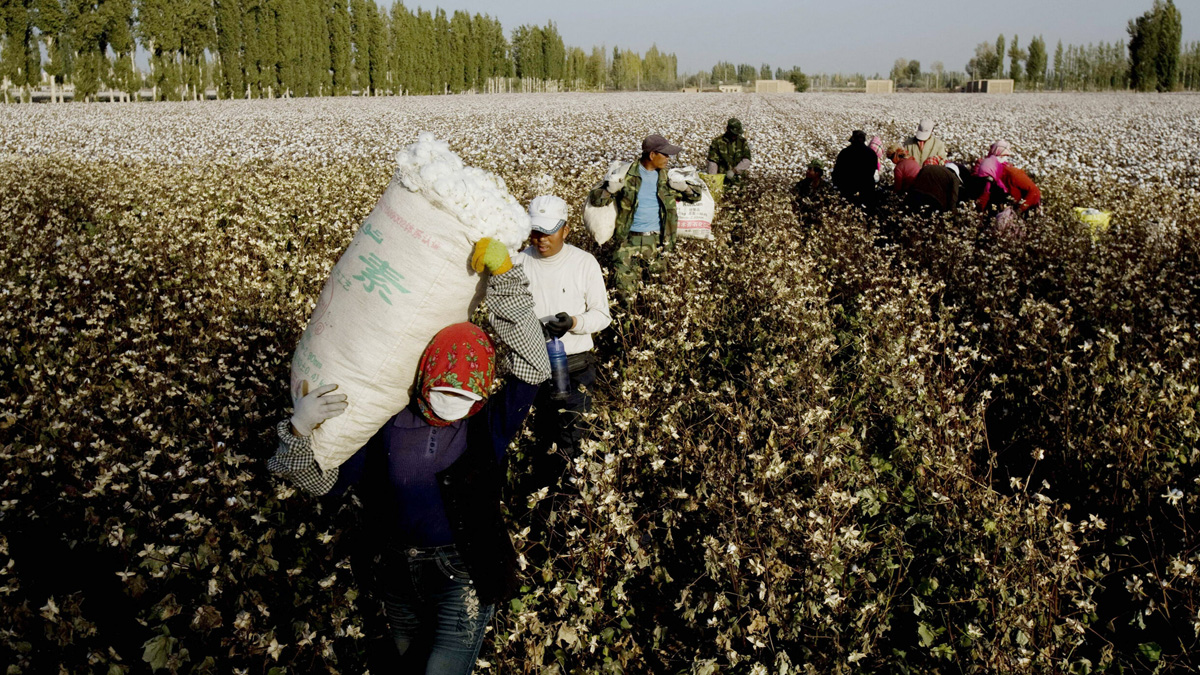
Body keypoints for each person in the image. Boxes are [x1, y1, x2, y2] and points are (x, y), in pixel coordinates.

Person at [268, 238, 550, 674]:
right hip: (396, 573)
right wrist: (299, 430)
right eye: (444, 388)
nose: (452, 402)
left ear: (481, 391)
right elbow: (330, 484)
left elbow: (532, 368)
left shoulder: (486, 429)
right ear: (425, 376)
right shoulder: (384, 421)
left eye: (465, 393)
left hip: (463, 574)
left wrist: (507, 278)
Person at [516, 195, 611, 488]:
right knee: (538, 440)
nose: (541, 239)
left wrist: (573, 322)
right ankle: (544, 500)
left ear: (566, 231)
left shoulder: (584, 263)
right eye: (535, 232)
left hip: (575, 366)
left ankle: (573, 502)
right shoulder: (519, 262)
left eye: (548, 232)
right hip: (532, 367)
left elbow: (602, 315)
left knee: (573, 440)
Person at [587, 134, 702, 297]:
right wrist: (609, 190)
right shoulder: (624, 174)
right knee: (625, 294)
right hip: (627, 242)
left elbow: (696, 196)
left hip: (659, 242)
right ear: (652, 155)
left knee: (658, 294)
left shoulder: (668, 177)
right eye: (665, 154)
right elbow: (596, 200)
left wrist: (685, 188)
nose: (668, 159)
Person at [974, 156, 1041, 214]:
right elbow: (985, 195)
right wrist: (979, 212)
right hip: (1009, 206)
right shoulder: (990, 178)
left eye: (988, 177)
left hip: (1027, 207)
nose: (988, 180)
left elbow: (1035, 191)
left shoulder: (1014, 174)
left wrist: (1019, 211)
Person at [831, 130, 879, 205]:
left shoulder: (845, 152)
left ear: (852, 140)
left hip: (848, 189)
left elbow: (837, 172)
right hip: (866, 190)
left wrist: (836, 185)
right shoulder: (871, 153)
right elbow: (873, 171)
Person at [706, 117, 752, 184]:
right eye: (733, 133)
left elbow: (747, 160)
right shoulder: (717, 142)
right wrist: (713, 178)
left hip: (739, 179)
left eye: (737, 134)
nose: (735, 135)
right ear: (728, 130)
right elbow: (713, 161)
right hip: (722, 178)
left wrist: (734, 171)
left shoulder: (742, 142)